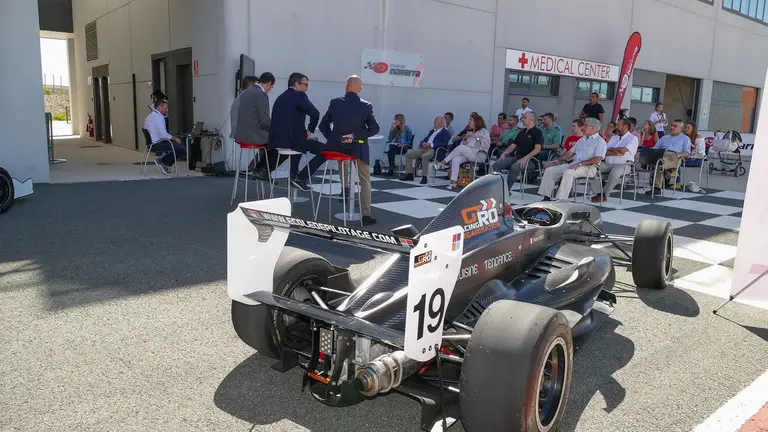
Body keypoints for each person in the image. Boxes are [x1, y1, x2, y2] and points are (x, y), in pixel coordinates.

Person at [318, 75, 380, 225]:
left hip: (338, 148)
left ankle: (344, 188)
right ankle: (366, 214)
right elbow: (375, 128)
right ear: (360, 89)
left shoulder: (335, 103)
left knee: (343, 164)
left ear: (346, 87)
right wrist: (355, 135)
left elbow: (323, 125)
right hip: (358, 147)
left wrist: (333, 138)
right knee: (365, 180)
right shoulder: (366, 105)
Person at [269, 72, 325, 191]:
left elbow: (288, 123)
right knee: (326, 151)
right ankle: (301, 177)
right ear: (296, 84)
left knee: (301, 142)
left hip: (277, 143)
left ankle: (294, 176)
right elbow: (315, 113)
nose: (307, 88)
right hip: (292, 142)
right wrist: (309, 131)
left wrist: (304, 135)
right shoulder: (299, 95)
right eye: (305, 85)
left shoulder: (280, 97)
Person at [538, 117, 607, 201]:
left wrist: (580, 164)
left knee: (568, 172)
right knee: (550, 170)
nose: (583, 127)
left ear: (593, 128)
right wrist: (556, 161)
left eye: (585, 125)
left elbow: (597, 159)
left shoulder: (600, 141)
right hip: (575, 164)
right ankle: (546, 197)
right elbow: (569, 153)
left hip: (590, 167)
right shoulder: (582, 140)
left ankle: (561, 200)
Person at [233, 72, 275, 180]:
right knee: (278, 141)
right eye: (271, 87)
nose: (270, 90)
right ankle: (262, 170)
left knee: (270, 141)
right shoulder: (261, 94)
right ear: (268, 84)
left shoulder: (246, 92)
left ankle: (256, 166)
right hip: (253, 136)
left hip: (241, 135)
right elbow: (265, 121)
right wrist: (275, 131)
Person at [433, 113, 490, 190]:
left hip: (479, 154)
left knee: (461, 148)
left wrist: (476, 137)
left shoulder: (484, 131)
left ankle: (442, 163)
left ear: (476, 122)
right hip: (469, 153)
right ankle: (453, 182)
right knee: (455, 159)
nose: (469, 122)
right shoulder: (469, 132)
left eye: (471, 120)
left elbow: (486, 145)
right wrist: (465, 140)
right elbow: (463, 145)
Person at [490, 111, 542, 192]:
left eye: (525, 118)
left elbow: (537, 149)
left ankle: (506, 191)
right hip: (517, 157)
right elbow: (513, 146)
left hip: (531, 160)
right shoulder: (521, 132)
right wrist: (504, 153)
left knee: (514, 167)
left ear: (531, 119)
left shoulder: (537, 133)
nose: (522, 119)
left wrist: (525, 158)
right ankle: (499, 188)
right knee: (496, 165)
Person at [589, 118, 639, 202]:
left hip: (624, 164)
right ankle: (598, 193)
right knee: (591, 169)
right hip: (608, 163)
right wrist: (617, 152)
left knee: (615, 173)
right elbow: (605, 151)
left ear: (625, 127)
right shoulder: (614, 137)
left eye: (618, 126)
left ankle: (603, 194)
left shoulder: (633, 138)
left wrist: (615, 150)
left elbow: (622, 151)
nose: (616, 128)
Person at [400, 116, 451, 184]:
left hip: (434, 150)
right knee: (408, 155)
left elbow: (444, 143)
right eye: (434, 122)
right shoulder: (432, 131)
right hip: (424, 148)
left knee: (424, 156)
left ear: (441, 124)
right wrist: (423, 143)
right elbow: (426, 138)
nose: (434, 124)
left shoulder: (445, 132)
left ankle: (424, 177)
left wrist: (431, 144)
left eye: (436, 123)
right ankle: (409, 175)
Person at [646, 119, 691, 195]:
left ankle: (657, 187)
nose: (672, 127)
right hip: (662, 154)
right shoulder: (664, 138)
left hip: (675, 156)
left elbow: (687, 152)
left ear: (680, 129)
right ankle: (666, 174)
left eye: (675, 126)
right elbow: (655, 149)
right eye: (671, 125)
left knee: (659, 164)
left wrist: (677, 155)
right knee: (657, 162)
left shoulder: (685, 138)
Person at [143, 99, 186, 175]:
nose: (167, 110)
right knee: (181, 148)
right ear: (160, 107)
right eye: (166, 108)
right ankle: (163, 162)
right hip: (157, 144)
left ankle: (163, 161)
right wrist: (175, 138)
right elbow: (163, 134)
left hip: (151, 144)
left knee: (172, 144)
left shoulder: (151, 116)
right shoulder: (158, 117)